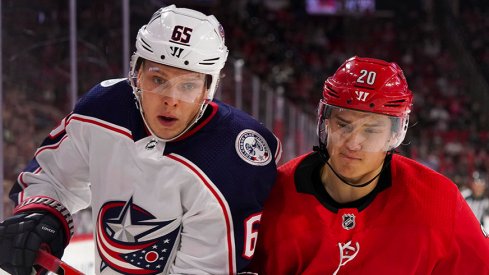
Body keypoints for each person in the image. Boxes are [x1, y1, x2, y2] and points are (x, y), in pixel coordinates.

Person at [0, 5, 281, 275]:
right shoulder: (103, 108)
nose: (171, 99)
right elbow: (52, 177)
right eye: (158, 79)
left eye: (188, 85)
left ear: (208, 88)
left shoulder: (233, 157)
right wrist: (42, 213)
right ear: (136, 73)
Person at [250, 56, 489, 274]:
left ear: (393, 135)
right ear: (326, 122)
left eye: (372, 130)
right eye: (343, 124)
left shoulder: (439, 201)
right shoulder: (271, 196)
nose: (353, 142)